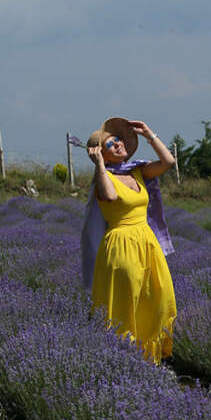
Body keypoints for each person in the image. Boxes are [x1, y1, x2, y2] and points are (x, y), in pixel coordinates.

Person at [80, 117, 177, 364]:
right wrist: (99, 166)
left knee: (158, 297)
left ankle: (150, 357)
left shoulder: (137, 171)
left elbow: (168, 162)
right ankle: (124, 359)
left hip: (147, 243)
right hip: (121, 245)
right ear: (100, 154)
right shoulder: (103, 179)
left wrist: (148, 133)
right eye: (109, 144)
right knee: (127, 302)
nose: (118, 144)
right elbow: (110, 197)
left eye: (118, 140)